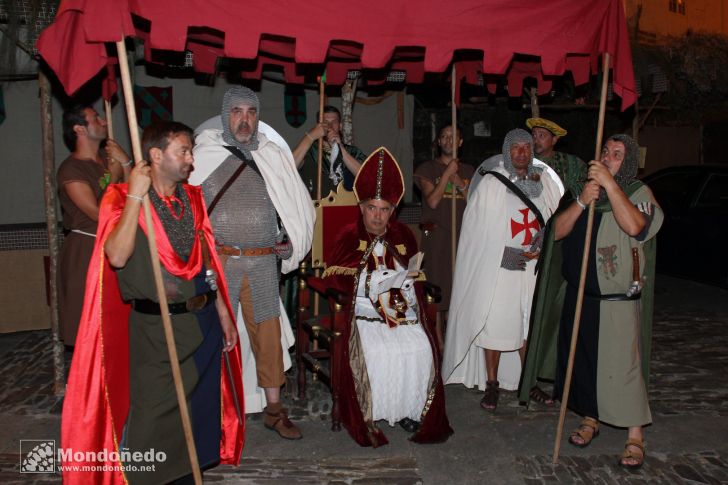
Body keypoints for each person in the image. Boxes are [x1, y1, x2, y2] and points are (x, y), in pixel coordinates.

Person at [61, 121, 245, 485]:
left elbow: (207, 259)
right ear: (157, 155)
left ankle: (187, 475)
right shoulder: (121, 197)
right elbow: (116, 255)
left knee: (197, 413)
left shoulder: (192, 198)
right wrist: (134, 196)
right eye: (184, 151)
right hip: (155, 330)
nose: (191, 160)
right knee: (153, 414)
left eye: (191, 151)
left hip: (202, 323)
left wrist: (223, 311)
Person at [190, 86, 315, 440]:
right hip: (222, 262)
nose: (244, 119)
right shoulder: (204, 155)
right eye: (237, 112)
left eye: (251, 112)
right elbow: (193, 214)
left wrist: (290, 239)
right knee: (213, 336)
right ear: (226, 115)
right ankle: (211, 410)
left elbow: (293, 204)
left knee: (268, 339)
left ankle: (275, 411)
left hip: (262, 263)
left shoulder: (271, 154)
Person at [321, 147, 452, 447]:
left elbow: (414, 279)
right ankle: (372, 410)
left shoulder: (403, 235)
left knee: (419, 347)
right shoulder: (347, 236)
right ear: (362, 207)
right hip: (363, 314)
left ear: (392, 211)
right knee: (378, 352)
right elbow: (339, 279)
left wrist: (405, 282)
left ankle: (408, 410)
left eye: (384, 209)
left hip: (400, 312)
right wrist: (371, 283)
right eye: (372, 208)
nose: (378, 216)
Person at [549, 134, 662, 469]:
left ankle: (635, 435)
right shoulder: (585, 191)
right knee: (584, 362)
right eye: (605, 152)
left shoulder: (636, 193)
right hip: (582, 296)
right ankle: (590, 418)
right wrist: (583, 200)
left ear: (626, 163)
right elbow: (556, 232)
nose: (608, 157)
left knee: (624, 367)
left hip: (618, 299)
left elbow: (636, 226)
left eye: (617, 154)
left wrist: (611, 186)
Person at [442, 129, 562, 411]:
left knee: (527, 323)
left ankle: (528, 381)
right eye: (516, 148)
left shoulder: (542, 181)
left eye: (526, 147)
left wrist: (543, 242)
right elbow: (476, 231)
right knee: (495, 324)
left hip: (533, 266)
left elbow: (555, 219)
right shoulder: (491, 182)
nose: (521, 152)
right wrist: (503, 254)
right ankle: (492, 385)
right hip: (501, 268)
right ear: (507, 151)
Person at [56, 104, 130, 345]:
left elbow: (133, 198)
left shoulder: (106, 161)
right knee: (88, 326)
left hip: (116, 246)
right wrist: (114, 175)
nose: (104, 122)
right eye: (96, 118)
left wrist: (126, 165)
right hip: (87, 250)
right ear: (79, 128)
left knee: (118, 324)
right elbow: (99, 214)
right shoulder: (71, 169)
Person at [413, 124, 474, 348]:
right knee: (438, 289)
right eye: (444, 136)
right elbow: (432, 201)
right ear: (439, 141)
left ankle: (455, 342)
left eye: (453, 136)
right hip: (437, 237)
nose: (449, 140)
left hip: (463, 238)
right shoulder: (427, 168)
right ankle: (438, 343)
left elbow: (477, 204)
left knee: (458, 290)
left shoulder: (470, 171)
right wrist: (447, 174)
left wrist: (460, 184)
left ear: (460, 142)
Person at [292, 105, 366, 195]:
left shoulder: (352, 152)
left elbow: (366, 177)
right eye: (325, 122)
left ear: (340, 126)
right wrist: (310, 136)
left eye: (334, 122)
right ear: (318, 126)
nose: (330, 126)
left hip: (347, 206)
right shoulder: (309, 152)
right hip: (317, 207)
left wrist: (340, 148)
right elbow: (289, 167)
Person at [527, 117, 587, 197]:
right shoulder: (525, 161)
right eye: (534, 135)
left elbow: (585, 185)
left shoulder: (572, 163)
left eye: (541, 135)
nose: (535, 140)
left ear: (554, 140)